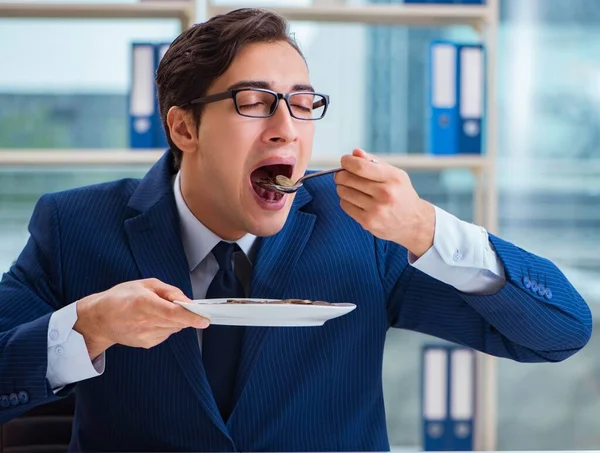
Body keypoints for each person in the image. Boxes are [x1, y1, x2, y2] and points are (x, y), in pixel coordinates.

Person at [0, 7, 592, 453]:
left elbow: (559, 331)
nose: (288, 128)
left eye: (304, 103)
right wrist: (86, 327)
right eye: (255, 101)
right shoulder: (76, 225)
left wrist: (428, 230)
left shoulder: (362, 230)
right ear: (184, 128)